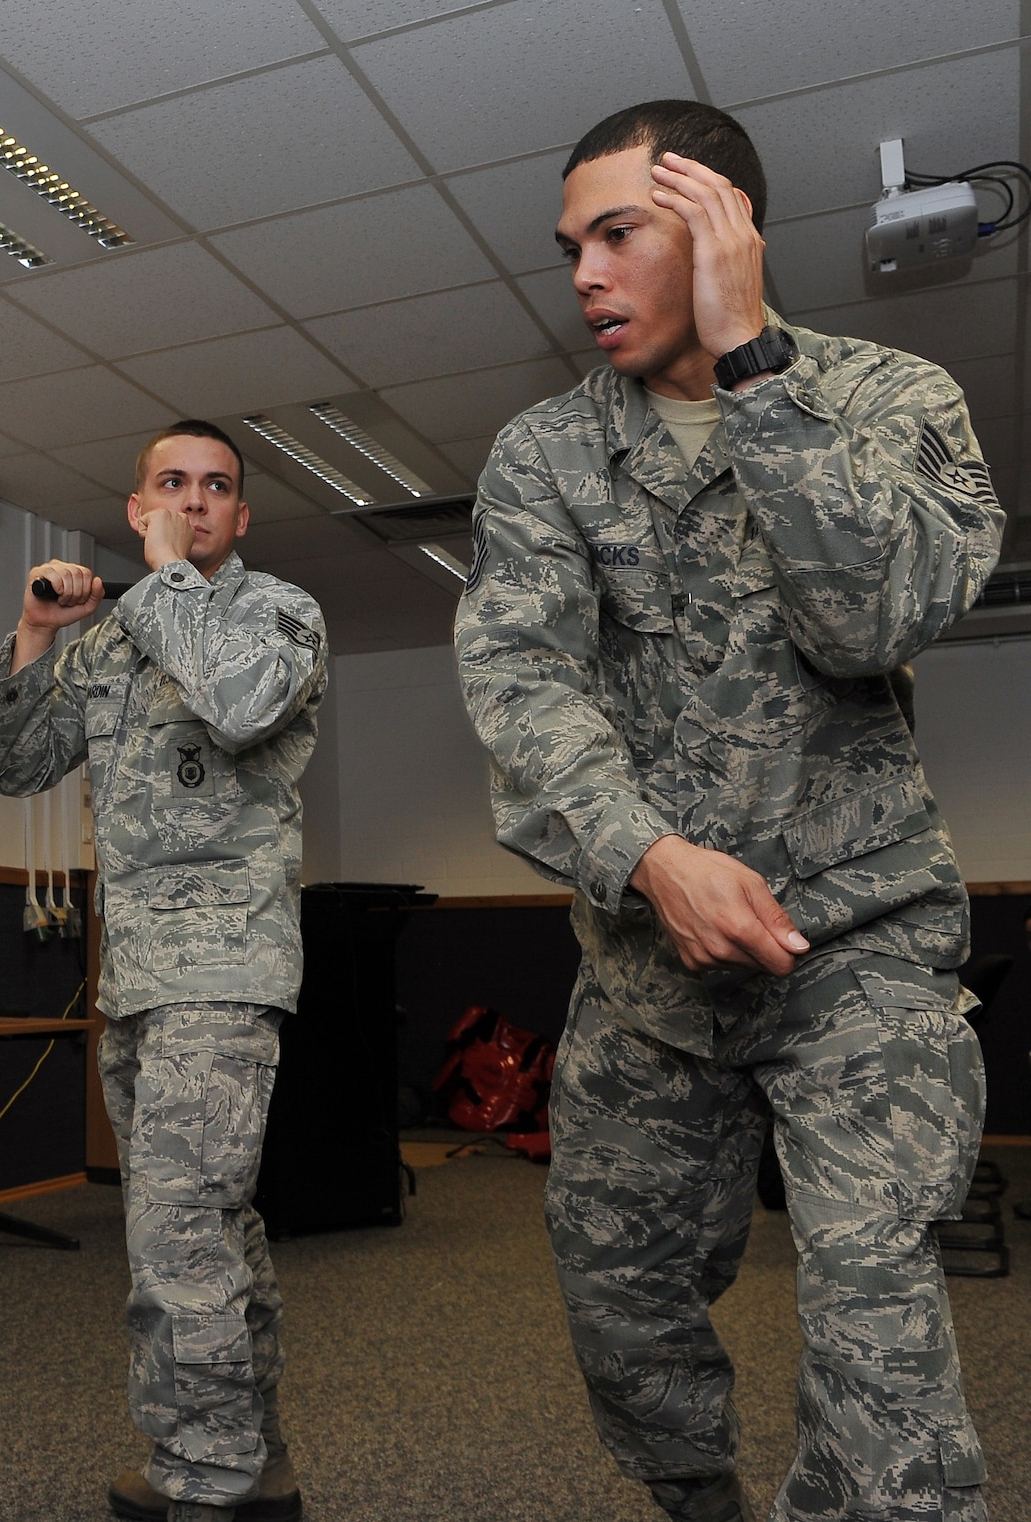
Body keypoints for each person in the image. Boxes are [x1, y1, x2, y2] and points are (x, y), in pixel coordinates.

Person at [455, 100, 1004, 1522]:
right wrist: (648, 856)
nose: (581, 272)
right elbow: (522, 686)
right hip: (645, 968)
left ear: (722, 229)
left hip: (856, 946)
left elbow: (870, 613)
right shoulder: (546, 456)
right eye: (569, 244)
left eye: (617, 233)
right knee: (622, 1294)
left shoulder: (895, 400)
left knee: (874, 1296)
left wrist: (759, 368)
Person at [0, 421, 326, 1522]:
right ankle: (250, 1453)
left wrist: (168, 574)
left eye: (215, 488)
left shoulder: (275, 614)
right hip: (134, 976)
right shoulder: (107, 641)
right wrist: (37, 631)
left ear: (238, 516)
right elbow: (18, 762)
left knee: (177, 1238)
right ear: (133, 504)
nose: (193, 501)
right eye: (169, 486)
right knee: (211, 1226)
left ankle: (206, 1477)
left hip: (224, 969)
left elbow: (236, 705)